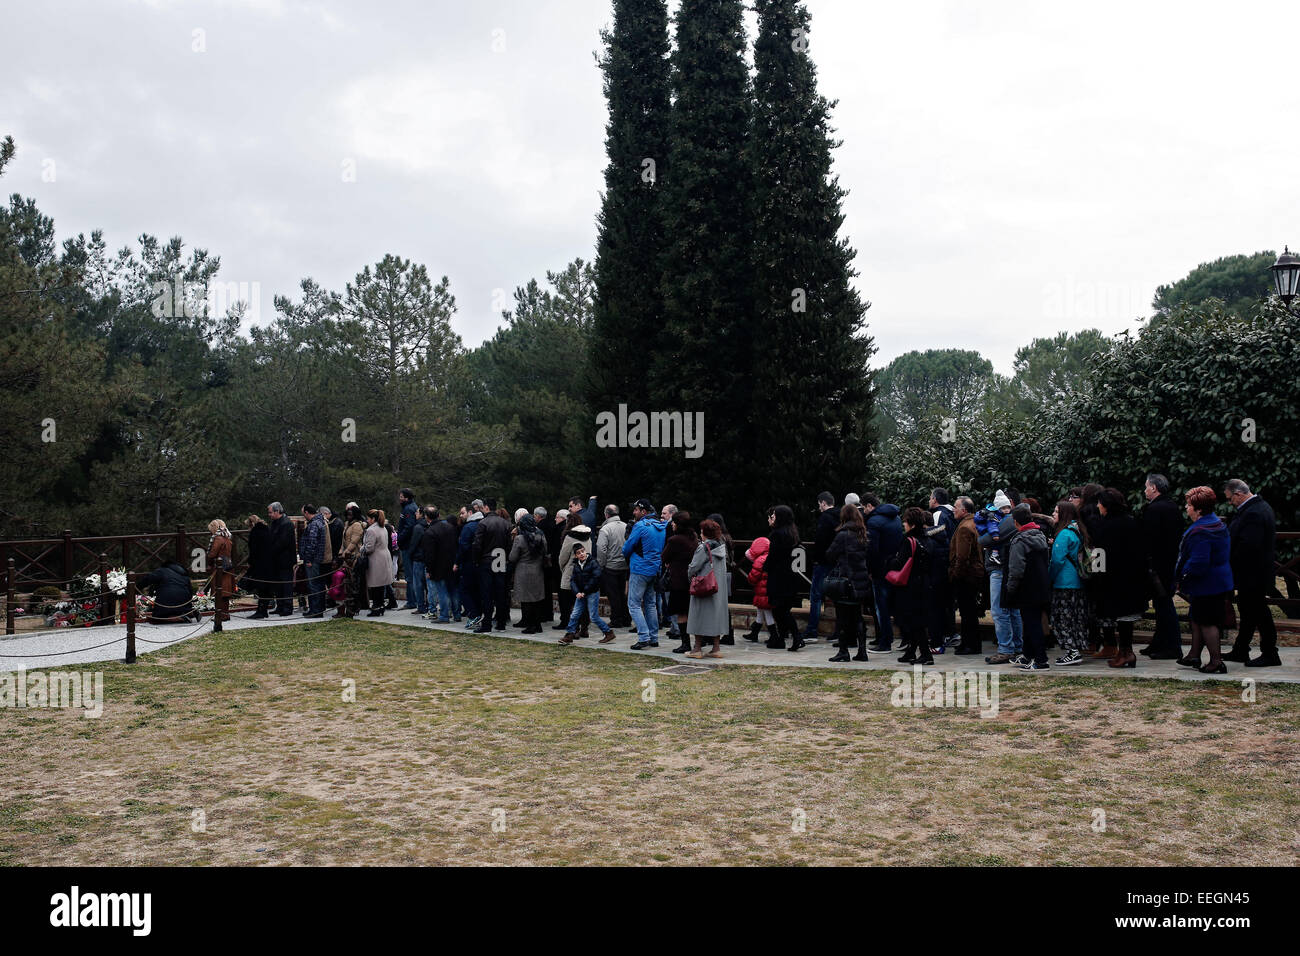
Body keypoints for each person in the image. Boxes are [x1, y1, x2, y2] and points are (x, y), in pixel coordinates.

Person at [1175, 486, 1234, 673]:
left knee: (1207, 621)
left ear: (1198, 509)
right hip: (1219, 580)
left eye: (1189, 505)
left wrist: (1182, 575)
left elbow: (1199, 562)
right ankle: (1194, 654)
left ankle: (1216, 661)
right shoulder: (1216, 524)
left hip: (1206, 583)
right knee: (1197, 617)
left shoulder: (1201, 531)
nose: (1186, 508)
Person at [1223, 479, 1280, 667]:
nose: (1230, 503)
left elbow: (1248, 546)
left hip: (1252, 573)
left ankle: (1270, 652)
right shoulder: (1258, 508)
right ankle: (1241, 648)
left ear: (1238, 494)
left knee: (1259, 611)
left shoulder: (1254, 512)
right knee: (1247, 610)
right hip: (1254, 572)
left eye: (1231, 499)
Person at [1092, 488, 1148, 668]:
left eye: (1100, 502)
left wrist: (1096, 575)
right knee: (1127, 618)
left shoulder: (1104, 526)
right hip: (1133, 576)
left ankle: (1126, 653)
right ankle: (1126, 652)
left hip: (1114, 578)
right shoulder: (1132, 522)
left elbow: (1098, 554)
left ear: (1107, 505)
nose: (1098, 506)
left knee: (1122, 617)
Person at [1140, 474, 1185, 659]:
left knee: (1164, 605)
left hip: (1158, 565)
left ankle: (1172, 646)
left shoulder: (1155, 509)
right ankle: (1159, 642)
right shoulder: (1172, 506)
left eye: (1146, 486)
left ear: (1154, 488)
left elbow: (1148, 539)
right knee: (1162, 605)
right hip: (1170, 562)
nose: (1144, 490)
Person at [1003, 504, 1051, 670]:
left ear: (1016, 523)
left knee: (1031, 624)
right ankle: (1028, 655)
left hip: (1026, 588)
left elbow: (1016, 569)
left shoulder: (1019, 540)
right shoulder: (1040, 535)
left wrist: (1010, 589)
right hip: (1041, 585)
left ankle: (1040, 659)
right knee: (1033, 622)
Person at [825, 504, 871, 663]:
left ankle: (843, 651)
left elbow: (830, 554)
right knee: (858, 616)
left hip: (845, 581)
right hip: (861, 580)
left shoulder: (843, 535)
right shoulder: (863, 534)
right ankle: (862, 651)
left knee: (843, 617)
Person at [980, 490, 1021, 664]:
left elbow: (984, 540)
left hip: (999, 569)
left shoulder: (1008, 520)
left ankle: (1006, 648)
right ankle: (1016, 646)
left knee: (999, 611)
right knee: (1012, 610)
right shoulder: (1009, 519)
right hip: (1005, 568)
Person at [1048, 499, 1091, 665]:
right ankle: (1076, 648)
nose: (1053, 514)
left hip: (1064, 582)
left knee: (1061, 618)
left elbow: (1057, 560)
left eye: (1056, 511)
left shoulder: (1064, 534)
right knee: (1076, 617)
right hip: (1077, 581)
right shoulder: (1077, 530)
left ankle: (1071, 651)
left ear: (1064, 514)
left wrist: (1049, 578)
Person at [890, 507, 934, 664]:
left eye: (906, 521)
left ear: (912, 524)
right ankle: (911, 652)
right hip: (925, 583)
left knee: (914, 621)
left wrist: (888, 562)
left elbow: (898, 562)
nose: (904, 524)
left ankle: (926, 654)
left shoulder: (908, 540)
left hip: (910, 585)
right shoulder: (927, 539)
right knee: (918, 620)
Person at [622, 498, 667, 650]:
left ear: (644, 512)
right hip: (655, 569)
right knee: (650, 604)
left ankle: (643, 637)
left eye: (636, 510)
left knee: (633, 604)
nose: (633, 512)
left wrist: (628, 554)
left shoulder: (640, 526)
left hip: (640, 568)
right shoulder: (661, 525)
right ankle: (653, 637)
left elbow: (627, 547)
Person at [863, 494, 903, 652]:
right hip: (894, 565)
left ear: (869, 506)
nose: (864, 511)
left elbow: (872, 550)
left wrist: (870, 570)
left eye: (864, 508)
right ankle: (897, 637)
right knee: (895, 604)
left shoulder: (873, 522)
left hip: (880, 569)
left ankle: (885, 640)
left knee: (881, 607)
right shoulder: (896, 518)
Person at [685, 519, 729, 659]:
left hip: (703, 586)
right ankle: (716, 648)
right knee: (715, 616)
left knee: (698, 615)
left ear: (705, 533)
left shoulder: (704, 547)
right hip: (718, 587)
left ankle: (697, 648)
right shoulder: (721, 547)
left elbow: (693, 567)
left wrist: (689, 576)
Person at [948, 496, 984, 655]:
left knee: (967, 611)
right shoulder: (973, 523)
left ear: (964, 510)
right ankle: (969, 643)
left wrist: (955, 574)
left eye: (955, 507)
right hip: (973, 574)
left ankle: (971, 645)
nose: (953, 509)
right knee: (969, 611)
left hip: (967, 576)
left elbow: (962, 556)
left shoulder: (964, 527)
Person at [803, 491, 838, 644]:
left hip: (823, 562)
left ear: (823, 503)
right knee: (837, 596)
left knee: (816, 596)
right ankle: (839, 630)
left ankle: (812, 630)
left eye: (819, 505)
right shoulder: (840, 516)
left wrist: (815, 558)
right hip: (837, 561)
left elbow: (821, 541)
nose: (819, 508)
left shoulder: (825, 518)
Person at [766, 505, 802, 651]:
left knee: (780, 610)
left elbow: (773, 556)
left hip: (779, 577)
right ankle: (781, 639)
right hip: (791, 576)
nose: (772, 518)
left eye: (774, 515)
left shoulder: (777, 534)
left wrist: (765, 568)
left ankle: (796, 636)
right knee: (783, 608)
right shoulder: (793, 533)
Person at [472, 501, 511, 633]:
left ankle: (487, 624)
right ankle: (501, 623)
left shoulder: (483, 523)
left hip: (487, 560)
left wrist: (476, 560)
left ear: (487, 508)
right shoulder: (506, 524)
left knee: (487, 593)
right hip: (500, 558)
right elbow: (509, 544)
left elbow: (477, 544)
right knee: (500, 593)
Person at [662, 513, 699, 654]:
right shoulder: (694, 537)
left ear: (678, 524)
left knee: (681, 613)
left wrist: (669, 562)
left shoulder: (674, 540)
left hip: (678, 581)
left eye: (673, 522)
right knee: (692, 612)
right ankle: (697, 642)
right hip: (693, 580)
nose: (671, 524)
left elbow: (664, 556)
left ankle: (685, 643)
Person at [927, 488, 959, 650]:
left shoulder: (938, 514)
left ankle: (942, 636)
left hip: (940, 563)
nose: (929, 500)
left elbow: (939, 534)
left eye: (930, 497)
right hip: (950, 561)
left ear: (935, 500)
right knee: (948, 601)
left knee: (939, 603)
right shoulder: (953, 513)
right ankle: (951, 632)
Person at [509, 512, 549, 634]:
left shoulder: (519, 539)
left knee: (526, 600)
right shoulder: (541, 536)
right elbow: (545, 551)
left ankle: (530, 625)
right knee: (536, 599)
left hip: (523, 572)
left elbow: (512, 557)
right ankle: (537, 625)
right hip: (538, 571)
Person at [555, 514, 592, 637]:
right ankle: (584, 628)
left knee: (570, 603)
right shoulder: (588, 537)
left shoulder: (569, 538)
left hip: (571, 573)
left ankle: (575, 629)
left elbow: (562, 557)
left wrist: (564, 569)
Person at [596, 505, 631, 630]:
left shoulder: (605, 528)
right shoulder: (626, 526)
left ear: (606, 514)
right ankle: (626, 618)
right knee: (623, 593)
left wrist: (601, 564)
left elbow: (601, 548)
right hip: (625, 566)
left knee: (613, 594)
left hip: (610, 566)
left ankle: (616, 619)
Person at [422, 507, 459, 623]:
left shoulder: (430, 532)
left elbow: (429, 554)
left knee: (442, 591)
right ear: (438, 515)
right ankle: (456, 614)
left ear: (427, 517)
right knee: (452, 590)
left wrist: (429, 569)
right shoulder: (451, 528)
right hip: (451, 563)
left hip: (438, 566)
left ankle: (444, 615)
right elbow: (456, 546)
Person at [707, 513, 738, 645]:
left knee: (716, 604)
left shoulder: (719, 539)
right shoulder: (728, 537)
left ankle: (713, 634)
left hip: (720, 573)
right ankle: (728, 633)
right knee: (723, 605)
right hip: (728, 574)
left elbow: (721, 558)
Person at [361, 509, 395, 615]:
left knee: (375, 585)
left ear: (373, 519)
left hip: (376, 559)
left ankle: (376, 607)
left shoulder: (371, 530)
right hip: (384, 556)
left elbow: (369, 548)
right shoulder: (383, 527)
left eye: (368, 518)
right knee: (381, 585)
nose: (367, 520)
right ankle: (380, 606)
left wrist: (361, 549)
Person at [455, 507, 484, 629]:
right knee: (476, 590)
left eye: (463, 513)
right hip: (482, 562)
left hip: (469, 563)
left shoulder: (468, 527)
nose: (461, 515)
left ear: (470, 513)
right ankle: (478, 613)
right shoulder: (483, 524)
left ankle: (474, 614)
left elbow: (463, 547)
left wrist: (457, 562)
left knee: (464, 590)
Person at [335, 503, 365, 619]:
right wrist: (340, 552)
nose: (348, 516)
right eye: (347, 514)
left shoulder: (357, 525)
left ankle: (353, 609)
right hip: (345, 558)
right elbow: (344, 541)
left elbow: (353, 542)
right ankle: (343, 608)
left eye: (351, 514)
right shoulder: (347, 524)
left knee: (353, 584)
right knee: (344, 583)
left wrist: (344, 553)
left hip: (353, 558)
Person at [267, 501, 297, 616]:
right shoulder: (275, 523)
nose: (269, 515)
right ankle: (280, 606)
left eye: (270, 512)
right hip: (276, 560)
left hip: (285, 559)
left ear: (277, 511)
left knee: (286, 584)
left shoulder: (286, 524)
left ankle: (288, 607)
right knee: (278, 584)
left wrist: (271, 550)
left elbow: (283, 542)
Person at [299, 504, 328, 618]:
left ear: (307, 512)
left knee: (313, 585)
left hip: (313, 560)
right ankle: (318, 608)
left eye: (303, 514)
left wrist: (309, 559)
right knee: (318, 584)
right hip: (317, 559)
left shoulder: (314, 524)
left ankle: (315, 610)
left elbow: (312, 543)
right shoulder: (319, 522)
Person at [745, 537, 776, 644]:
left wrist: (749, 578)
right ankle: (754, 633)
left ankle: (774, 635)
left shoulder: (760, 560)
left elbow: (753, 577)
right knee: (760, 611)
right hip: (768, 590)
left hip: (763, 591)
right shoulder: (770, 556)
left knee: (767, 613)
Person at [206, 519, 235, 624]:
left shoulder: (217, 538)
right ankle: (225, 613)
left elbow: (212, 554)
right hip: (228, 566)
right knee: (225, 593)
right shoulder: (228, 536)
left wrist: (208, 560)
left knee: (219, 592)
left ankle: (220, 615)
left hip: (219, 568)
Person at [245, 514, 274, 618]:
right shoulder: (267, 530)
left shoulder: (255, 533)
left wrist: (250, 562)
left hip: (259, 564)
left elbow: (254, 550)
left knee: (261, 588)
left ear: (251, 524)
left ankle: (261, 611)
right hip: (269, 562)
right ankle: (264, 609)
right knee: (266, 588)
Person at [395, 488, 419, 608]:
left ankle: (411, 601)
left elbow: (409, 527)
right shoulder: (410, 507)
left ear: (406, 498)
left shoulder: (409, 509)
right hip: (408, 545)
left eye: (401, 496)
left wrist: (400, 538)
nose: (400, 499)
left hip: (407, 546)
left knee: (409, 575)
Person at [407, 507, 430, 616]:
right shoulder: (429, 526)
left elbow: (413, 544)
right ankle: (429, 605)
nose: (415, 514)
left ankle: (421, 606)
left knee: (418, 585)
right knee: (427, 585)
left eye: (417, 512)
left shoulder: (418, 528)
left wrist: (410, 554)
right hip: (427, 558)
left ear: (421, 514)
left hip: (418, 558)